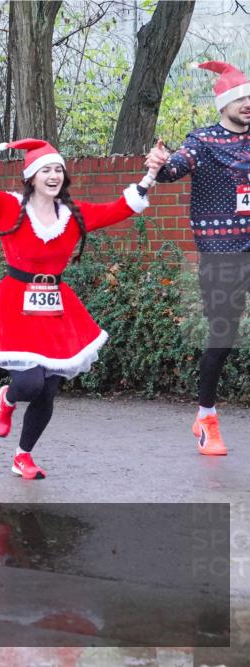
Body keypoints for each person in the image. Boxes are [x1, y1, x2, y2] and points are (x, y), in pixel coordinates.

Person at [0, 128, 161, 479]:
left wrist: (150, 175)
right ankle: (7, 399)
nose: (54, 175)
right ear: (31, 176)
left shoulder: (74, 215)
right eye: (46, 170)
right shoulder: (8, 207)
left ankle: (23, 455)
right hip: (15, 304)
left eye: (58, 170)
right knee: (29, 383)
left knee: (48, 390)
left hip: (55, 308)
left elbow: (121, 207)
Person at [145, 60, 249, 457]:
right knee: (222, 338)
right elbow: (174, 168)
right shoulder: (202, 142)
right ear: (223, 102)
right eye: (240, 97)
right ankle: (206, 417)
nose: (247, 103)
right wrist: (157, 165)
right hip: (222, 256)